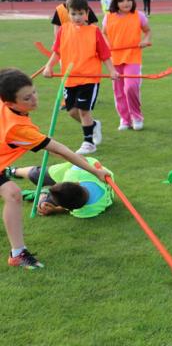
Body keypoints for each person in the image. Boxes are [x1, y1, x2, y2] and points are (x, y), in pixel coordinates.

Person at [0, 68, 110, 269]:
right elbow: (61, 151)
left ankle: (17, 253)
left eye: (34, 92)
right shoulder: (18, 129)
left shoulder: (8, 105)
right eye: (26, 98)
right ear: (9, 103)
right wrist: (95, 171)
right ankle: (18, 253)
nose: (34, 99)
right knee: (13, 193)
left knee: (13, 193)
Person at [43, 0, 119, 154]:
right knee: (72, 111)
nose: (77, 17)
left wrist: (112, 70)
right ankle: (93, 125)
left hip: (89, 78)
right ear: (68, 14)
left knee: (84, 111)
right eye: (73, 14)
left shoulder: (94, 31)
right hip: (69, 79)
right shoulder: (63, 30)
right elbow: (57, 52)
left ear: (87, 13)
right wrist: (49, 67)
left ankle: (88, 142)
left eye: (81, 13)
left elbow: (105, 54)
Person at [102, 0, 151, 131]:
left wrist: (145, 40)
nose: (126, 3)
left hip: (132, 58)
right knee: (118, 92)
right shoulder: (108, 17)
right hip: (114, 59)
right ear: (116, 2)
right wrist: (107, 44)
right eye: (122, 0)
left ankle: (136, 116)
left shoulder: (139, 16)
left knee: (131, 87)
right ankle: (125, 119)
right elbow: (103, 34)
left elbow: (148, 31)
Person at [8, 157, 113, 218]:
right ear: (77, 183)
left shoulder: (86, 212)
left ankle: (42, 193)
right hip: (69, 171)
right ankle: (14, 171)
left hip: (69, 184)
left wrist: (55, 210)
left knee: (43, 205)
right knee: (38, 174)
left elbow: (69, 209)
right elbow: (80, 158)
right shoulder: (76, 173)